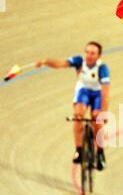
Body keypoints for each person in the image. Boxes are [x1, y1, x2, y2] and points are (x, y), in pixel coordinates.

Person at [35, 41, 110, 170]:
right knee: (78, 115)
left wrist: (103, 111)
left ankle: (100, 152)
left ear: (98, 56)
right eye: (87, 52)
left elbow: (105, 92)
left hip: (97, 94)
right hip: (83, 91)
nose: (89, 55)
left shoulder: (102, 68)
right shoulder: (79, 61)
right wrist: (44, 61)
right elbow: (59, 64)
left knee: (97, 120)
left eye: (92, 53)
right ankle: (79, 150)